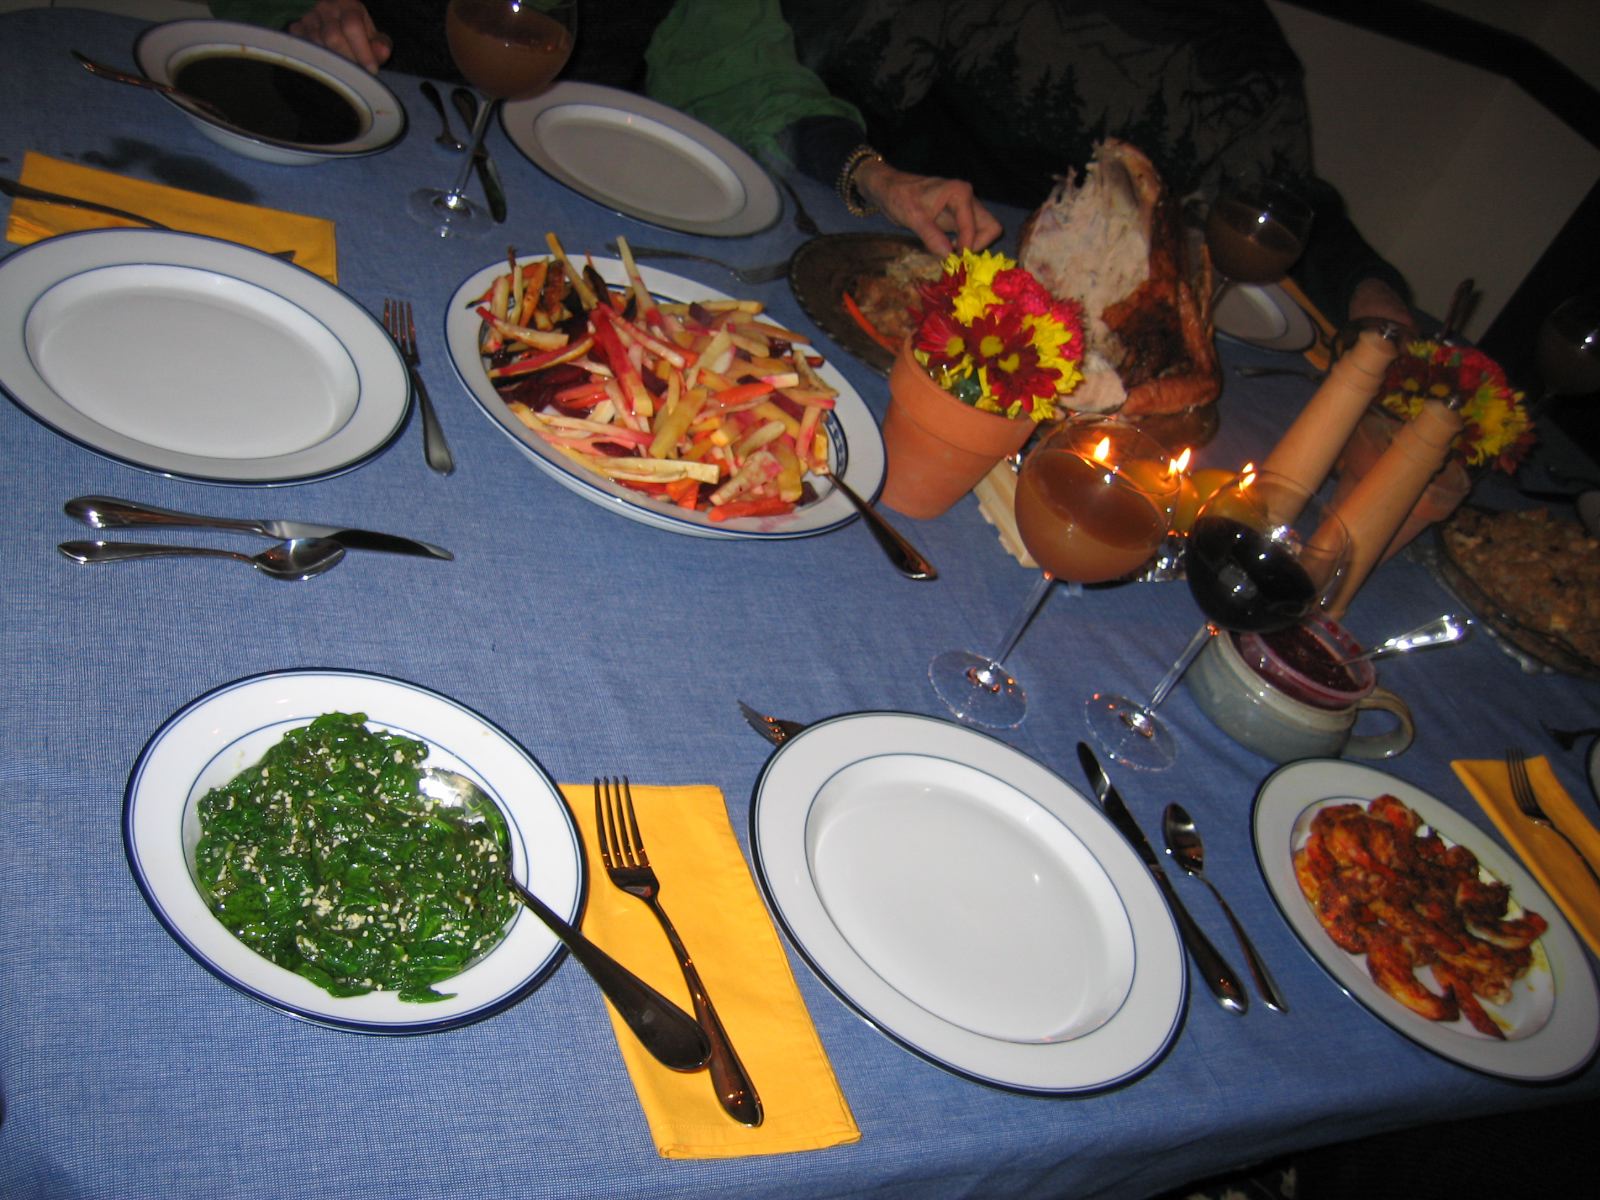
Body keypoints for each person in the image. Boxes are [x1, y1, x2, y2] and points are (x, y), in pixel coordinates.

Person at [211, 0, 1412, 328]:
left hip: (560, 200)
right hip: (342, 148)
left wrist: (871, 177)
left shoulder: (1215, 46)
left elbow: (742, 70)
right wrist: (303, 16)